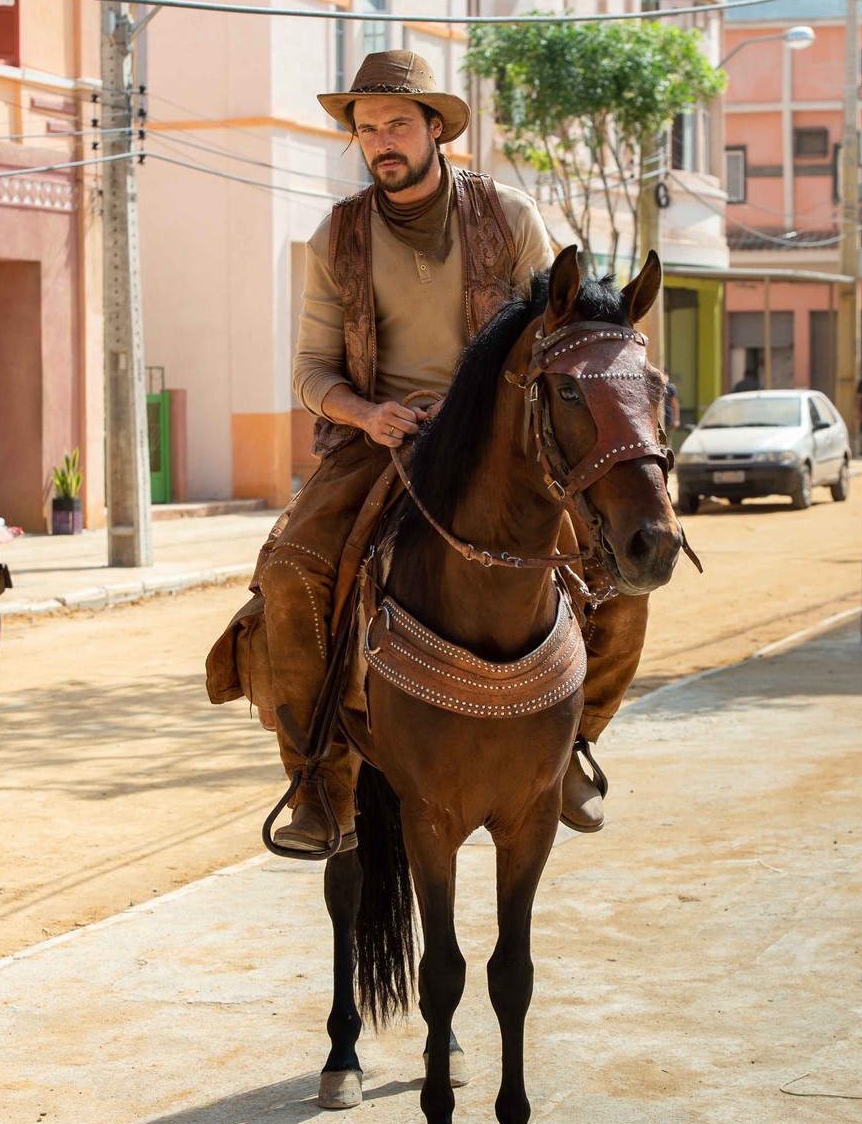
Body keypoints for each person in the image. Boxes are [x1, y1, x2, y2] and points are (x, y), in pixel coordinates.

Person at [213, 51, 653, 858]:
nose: (381, 140)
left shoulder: (510, 217)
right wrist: (367, 411)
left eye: (397, 124)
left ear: (436, 130)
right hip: (378, 442)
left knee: (618, 570)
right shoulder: (334, 236)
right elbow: (311, 370)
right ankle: (319, 781)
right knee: (289, 576)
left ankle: (574, 746)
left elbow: (552, 335)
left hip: (499, 439)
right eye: (367, 127)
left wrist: (469, 404)